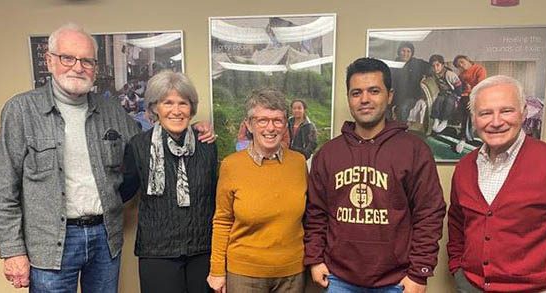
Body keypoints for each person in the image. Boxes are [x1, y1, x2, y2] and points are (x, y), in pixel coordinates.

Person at [0, 23, 215, 292]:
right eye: (67, 58)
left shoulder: (110, 110)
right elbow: (2, 189)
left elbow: (150, 140)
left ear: (95, 67)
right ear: (49, 60)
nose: (77, 67)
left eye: (86, 60)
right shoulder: (22, 111)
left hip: (104, 238)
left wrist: (197, 127)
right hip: (50, 245)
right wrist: (12, 252)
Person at [304, 57, 446, 293]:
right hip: (337, 278)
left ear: (389, 96)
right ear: (349, 98)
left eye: (374, 91)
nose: (365, 99)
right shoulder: (328, 153)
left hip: (398, 281)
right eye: (356, 93)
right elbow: (316, 213)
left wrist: (419, 272)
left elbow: (429, 213)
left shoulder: (414, 150)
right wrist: (315, 259)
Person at [447, 75, 546, 293]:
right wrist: (457, 269)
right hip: (470, 287)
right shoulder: (464, 167)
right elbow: (456, 223)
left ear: (524, 112)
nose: (496, 121)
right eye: (485, 113)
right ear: (473, 119)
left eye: (506, 111)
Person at [120, 70, 217, 293]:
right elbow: (123, 191)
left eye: (183, 103)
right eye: (168, 103)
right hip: (157, 252)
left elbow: (214, 195)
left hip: (202, 250)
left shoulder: (207, 145)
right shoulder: (139, 146)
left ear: (191, 108)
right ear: (155, 108)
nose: (176, 110)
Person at [207, 89, 307, 293]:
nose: (271, 128)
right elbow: (222, 220)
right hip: (244, 275)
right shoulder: (231, 165)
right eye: (262, 120)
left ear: (285, 124)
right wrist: (217, 270)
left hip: (292, 274)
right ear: (249, 125)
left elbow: (310, 218)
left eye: (277, 120)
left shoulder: (298, 163)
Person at [452, 55, 487, 153]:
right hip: (465, 97)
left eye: (462, 62)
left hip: (479, 95)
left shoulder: (479, 69)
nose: (461, 66)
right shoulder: (461, 75)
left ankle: (463, 138)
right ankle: (466, 136)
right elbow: (460, 88)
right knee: (463, 107)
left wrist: (472, 99)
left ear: (468, 60)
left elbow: (481, 87)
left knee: (468, 108)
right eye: (459, 65)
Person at [391, 42, 431, 121]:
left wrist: (426, 78)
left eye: (408, 51)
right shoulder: (394, 64)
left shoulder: (417, 63)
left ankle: (402, 130)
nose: (405, 54)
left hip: (412, 96)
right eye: (403, 51)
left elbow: (431, 68)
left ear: (412, 53)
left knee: (403, 108)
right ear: (399, 52)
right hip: (396, 96)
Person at [428, 54, 462, 133]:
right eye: (433, 66)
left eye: (438, 65)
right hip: (442, 93)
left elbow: (459, 86)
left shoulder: (449, 74)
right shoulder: (434, 74)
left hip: (453, 93)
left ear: (442, 65)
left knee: (449, 101)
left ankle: (444, 121)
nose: (435, 68)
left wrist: (458, 98)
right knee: (438, 100)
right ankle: (436, 119)